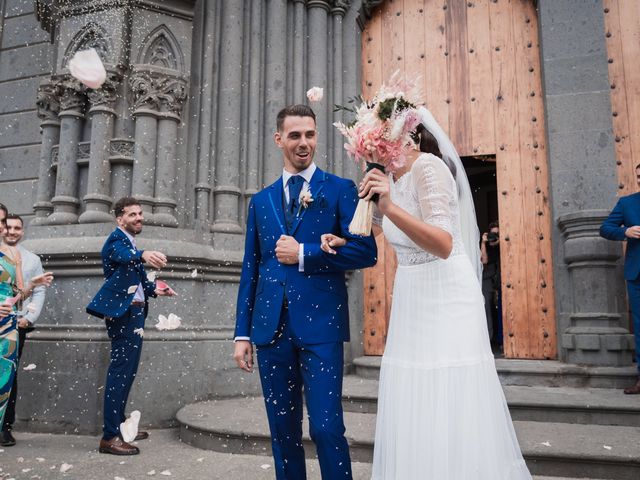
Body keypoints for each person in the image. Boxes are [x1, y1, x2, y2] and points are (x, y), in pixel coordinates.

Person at [325, 107, 531, 478]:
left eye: (380, 142)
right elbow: (386, 229)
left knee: (446, 388)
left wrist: (387, 206)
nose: (377, 152)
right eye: (372, 146)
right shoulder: (393, 177)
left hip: (445, 293)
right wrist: (344, 238)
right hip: (412, 292)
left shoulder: (429, 168)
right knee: (415, 390)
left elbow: (443, 242)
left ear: (405, 135)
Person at [233, 104, 377, 480]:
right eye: (295, 135)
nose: (303, 143)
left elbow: (365, 251)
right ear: (278, 139)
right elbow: (252, 269)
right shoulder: (260, 201)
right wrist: (242, 332)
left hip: (321, 328)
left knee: (327, 428)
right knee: (283, 433)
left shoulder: (340, 189)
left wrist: (305, 254)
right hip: (270, 329)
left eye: (310, 135)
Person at [86, 197, 175, 455]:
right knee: (120, 373)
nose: (138, 218)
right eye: (132, 214)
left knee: (128, 372)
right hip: (123, 316)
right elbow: (121, 257)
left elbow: (134, 279)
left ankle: (122, 426)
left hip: (134, 313)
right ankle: (110, 436)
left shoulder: (129, 241)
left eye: (140, 213)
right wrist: (143, 254)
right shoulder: (117, 241)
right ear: (119, 219)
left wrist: (157, 290)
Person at [0, 204, 53, 431]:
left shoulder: (28, 258)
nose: (10, 231)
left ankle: (5, 426)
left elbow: (24, 293)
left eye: (14, 227)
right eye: (6, 225)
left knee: (7, 376)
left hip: (13, 323)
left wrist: (28, 317)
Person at [600, 163, 640, 394]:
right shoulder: (627, 203)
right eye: (639, 176)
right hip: (637, 275)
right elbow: (605, 228)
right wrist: (625, 232)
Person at [481, 221, 502, 347]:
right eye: (492, 234)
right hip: (488, 277)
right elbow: (484, 260)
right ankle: (489, 339)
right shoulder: (486, 245)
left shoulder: (505, 242)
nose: (494, 236)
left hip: (501, 276)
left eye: (497, 234)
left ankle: (502, 339)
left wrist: (500, 242)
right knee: (487, 307)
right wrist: (484, 243)